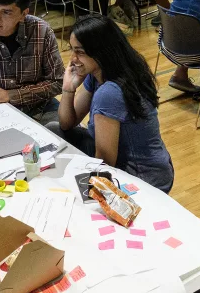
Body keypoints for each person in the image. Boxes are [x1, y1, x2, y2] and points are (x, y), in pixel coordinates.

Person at [54, 15, 175, 192]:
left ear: (100, 52)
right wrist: (68, 88)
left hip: (144, 180)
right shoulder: (102, 73)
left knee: (66, 188)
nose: (72, 59)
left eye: (80, 52)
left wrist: (73, 188)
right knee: (55, 129)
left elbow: (105, 162)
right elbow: (66, 124)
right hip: (155, 166)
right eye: (72, 50)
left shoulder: (109, 93)